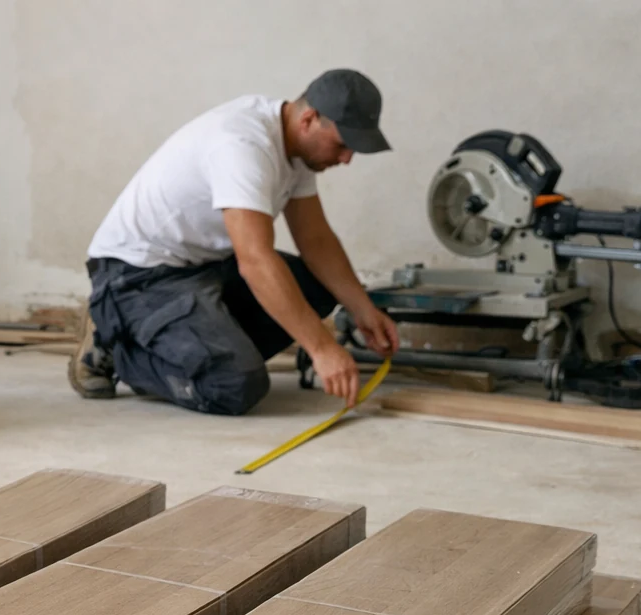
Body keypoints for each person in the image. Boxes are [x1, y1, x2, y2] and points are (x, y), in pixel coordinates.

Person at [73, 69, 400, 414]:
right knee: (231, 386)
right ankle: (116, 341)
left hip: (203, 268)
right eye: (343, 144)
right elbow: (255, 261)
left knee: (316, 286)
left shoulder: (296, 147)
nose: (347, 159)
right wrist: (321, 348)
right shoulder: (243, 145)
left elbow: (316, 240)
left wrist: (364, 311)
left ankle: (198, 352)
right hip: (138, 276)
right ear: (309, 119)